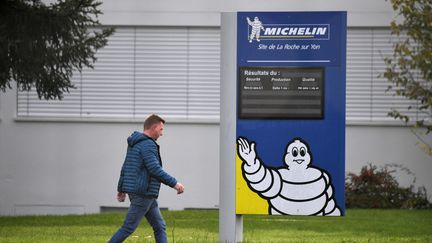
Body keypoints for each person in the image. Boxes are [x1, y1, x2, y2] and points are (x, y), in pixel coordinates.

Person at [109, 114, 185, 243]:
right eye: (161, 130)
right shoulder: (148, 145)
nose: (162, 134)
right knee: (128, 227)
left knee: (159, 226)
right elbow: (154, 169)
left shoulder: (135, 142)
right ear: (154, 128)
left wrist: (121, 188)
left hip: (143, 193)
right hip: (143, 193)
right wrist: (175, 184)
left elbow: (126, 166)